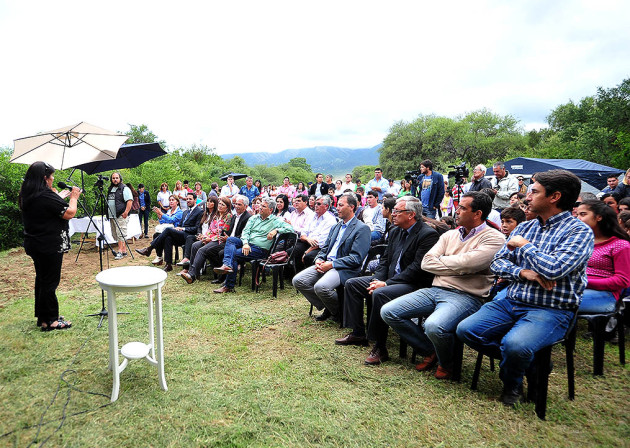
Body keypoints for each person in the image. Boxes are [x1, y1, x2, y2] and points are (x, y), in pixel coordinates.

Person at [457, 170, 594, 407]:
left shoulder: (579, 231)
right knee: (466, 330)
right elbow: (497, 263)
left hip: (551, 308)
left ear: (555, 196)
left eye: (534, 191)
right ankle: (533, 363)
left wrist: (525, 247)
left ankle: (512, 384)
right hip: (512, 300)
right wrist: (522, 272)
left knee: (516, 345)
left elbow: (554, 269)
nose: (527, 197)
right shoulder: (526, 227)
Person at [381, 191, 505, 379]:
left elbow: (469, 263)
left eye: (463, 208)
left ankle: (447, 364)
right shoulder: (450, 235)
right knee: (388, 311)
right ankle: (431, 351)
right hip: (435, 289)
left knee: (434, 325)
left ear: (477, 214)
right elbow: (427, 263)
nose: (457, 210)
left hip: (467, 295)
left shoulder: (494, 238)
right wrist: (461, 266)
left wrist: (450, 263)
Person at [335, 196, 440, 365]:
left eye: (398, 211)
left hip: (413, 284)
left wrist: (385, 283)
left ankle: (380, 346)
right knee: (353, 284)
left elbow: (417, 269)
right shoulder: (395, 230)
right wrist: (377, 279)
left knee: (380, 292)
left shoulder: (427, 235)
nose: (394, 214)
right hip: (391, 279)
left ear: (411, 215)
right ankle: (358, 333)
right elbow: (385, 260)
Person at [19, 161, 81, 331]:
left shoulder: (29, 194)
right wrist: (73, 198)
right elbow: (69, 213)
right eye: (51, 176)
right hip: (49, 245)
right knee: (50, 282)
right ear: (44, 178)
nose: (53, 179)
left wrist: (58, 197)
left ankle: (44, 317)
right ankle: (52, 321)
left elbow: (45, 209)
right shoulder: (45, 195)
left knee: (42, 280)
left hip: (35, 243)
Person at [293, 194, 371, 322]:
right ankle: (334, 308)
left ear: (352, 207)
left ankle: (340, 311)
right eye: (337, 205)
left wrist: (331, 264)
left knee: (321, 287)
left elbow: (356, 258)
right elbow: (325, 248)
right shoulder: (336, 226)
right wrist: (319, 259)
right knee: (298, 281)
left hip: (344, 268)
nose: (337, 208)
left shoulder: (362, 229)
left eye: (341, 205)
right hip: (326, 263)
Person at [213, 197, 294, 293]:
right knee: (231, 240)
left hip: (260, 249)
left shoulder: (275, 220)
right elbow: (245, 232)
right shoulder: (253, 218)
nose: (260, 208)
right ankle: (227, 265)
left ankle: (228, 285)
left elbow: (290, 229)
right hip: (248, 244)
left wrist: (276, 230)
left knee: (233, 254)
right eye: (260, 205)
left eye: (263, 206)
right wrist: (246, 244)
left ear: (271, 210)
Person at [575, 200, 630, 313]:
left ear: (599, 217)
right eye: (577, 215)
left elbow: (623, 280)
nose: (578, 219)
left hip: (605, 296)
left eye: (583, 214)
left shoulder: (620, 245)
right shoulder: (581, 242)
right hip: (576, 289)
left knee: (558, 302)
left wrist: (584, 282)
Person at [136, 192, 203, 272]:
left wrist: (183, 229)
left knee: (168, 230)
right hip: (181, 234)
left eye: (190, 199)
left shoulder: (199, 211)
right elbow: (180, 224)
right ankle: (168, 264)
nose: (188, 200)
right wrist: (178, 227)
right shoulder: (186, 212)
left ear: (195, 200)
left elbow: (196, 228)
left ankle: (149, 249)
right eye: (187, 199)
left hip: (189, 235)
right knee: (168, 238)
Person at [180, 197, 232, 284]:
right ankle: (192, 272)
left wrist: (210, 239)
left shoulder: (229, 217)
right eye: (219, 204)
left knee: (202, 250)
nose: (220, 206)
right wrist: (204, 237)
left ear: (227, 207)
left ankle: (192, 275)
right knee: (195, 245)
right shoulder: (216, 216)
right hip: (210, 238)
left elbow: (224, 233)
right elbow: (210, 230)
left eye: (223, 205)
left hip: (219, 240)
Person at [292, 195, 337, 272]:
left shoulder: (330, 220)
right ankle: (295, 274)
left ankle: (309, 277)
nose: (316, 206)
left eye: (319, 204)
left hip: (320, 247)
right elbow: (303, 232)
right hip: (308, 241)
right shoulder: (313, 216)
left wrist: (307, 252)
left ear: (326, 206)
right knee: (293, 250)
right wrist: (307, 239)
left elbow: (321, 243)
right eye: (315, 203)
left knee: (308, 256)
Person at [178, 195, 218, 266]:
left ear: (215, 204)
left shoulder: (216, 215)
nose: (208, 203)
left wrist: (205, 236)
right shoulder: (205, 214)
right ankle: (186, 260)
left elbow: (214, 230)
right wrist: (199, 234)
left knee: (191, 240)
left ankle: (190, 265)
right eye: (208, 201)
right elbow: (199, 226)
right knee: (190, 238)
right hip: (201, 235)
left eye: (211, 202)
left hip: (209, 237)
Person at [106, 172, 133, 260]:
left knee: (121, 233)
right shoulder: (110, 189)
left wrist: (126, 212)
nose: (115, 179)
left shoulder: (124, 188)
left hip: (120, 215)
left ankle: (120, 251)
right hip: (112, 215)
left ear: (120, 179)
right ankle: (124, 250)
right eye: (113, 178)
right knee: (116, 234)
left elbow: (129, 201)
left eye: (117, 178)